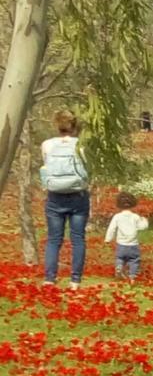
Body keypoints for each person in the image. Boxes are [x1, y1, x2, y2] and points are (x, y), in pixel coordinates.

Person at [41, 110, 89, 290]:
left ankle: (49, 279)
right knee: (77, 239)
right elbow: (87, 168)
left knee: (54, 239)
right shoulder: (80, 145)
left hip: (55, 197)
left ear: (57, 125)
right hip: (78, 196)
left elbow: (46, 166)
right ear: (75, 125)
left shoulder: (47, 145)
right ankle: (75, 280)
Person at [105, 191, 149, 283]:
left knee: (119, 258)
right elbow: (142, 226)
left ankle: (119, 266)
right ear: (133, 203)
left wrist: (108, 239)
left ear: (119, 203)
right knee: (134, 260)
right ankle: (132, 276)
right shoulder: (135, 217)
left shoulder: (117, 217)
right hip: (133, 245)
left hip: (121, 244)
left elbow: (111, 228)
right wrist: (144, 220)